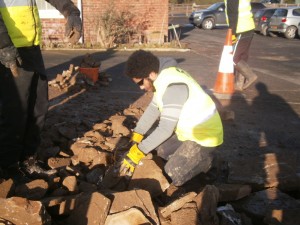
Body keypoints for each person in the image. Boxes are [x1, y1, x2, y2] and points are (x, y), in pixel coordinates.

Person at [0, 0, 82, 179]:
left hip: (30, 47)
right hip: (8, 50)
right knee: (15, 111)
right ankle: (8, 168)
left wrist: (71, 12)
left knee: (39, 106)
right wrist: (3, 44)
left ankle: (29, 161)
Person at [120, 50, 223, 186]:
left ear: (151, 74)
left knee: (173, 174)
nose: (140, 88)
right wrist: (138, 134)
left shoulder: (173, 86)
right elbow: (153, 108)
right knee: (161, 152)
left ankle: (209, 163)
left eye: (140, 82)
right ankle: (194, 161)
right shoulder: (162, 78)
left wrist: (136, 154)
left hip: (205, 136)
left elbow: (165, 130)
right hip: (188, 132)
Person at [224, 0, 258, 90]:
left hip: (241, 29)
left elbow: (233, 14)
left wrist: (232, 33)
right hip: (249, 27)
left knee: (234, 58)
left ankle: (250, 76)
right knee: (242, 57)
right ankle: (239, 84)